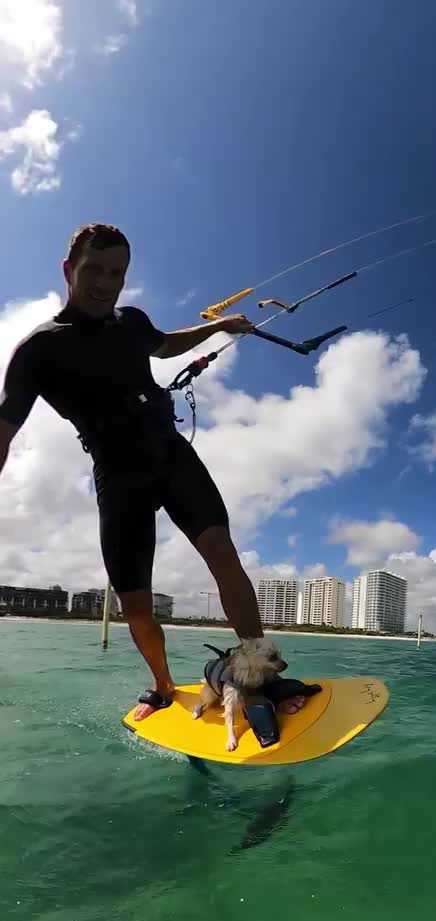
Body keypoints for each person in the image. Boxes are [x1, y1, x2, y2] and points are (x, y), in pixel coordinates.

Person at [0, 222, 306, 723]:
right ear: (68, 269)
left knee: (222, 552)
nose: (104, 282)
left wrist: (218, 325)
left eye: (116, 272)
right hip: (119, 477)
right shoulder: (39, 350)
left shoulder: (131, 321)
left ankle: (260, 675)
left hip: (169, 454)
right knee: (136, 605)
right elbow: (5, 430)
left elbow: (167, 344)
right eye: (93, 269)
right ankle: (163, 686)